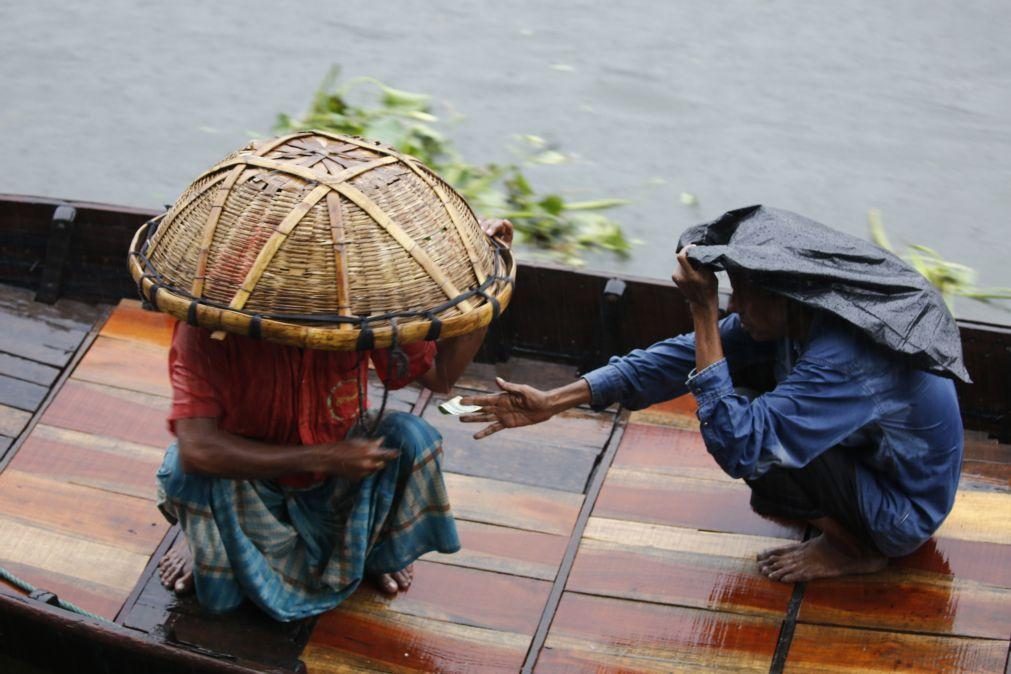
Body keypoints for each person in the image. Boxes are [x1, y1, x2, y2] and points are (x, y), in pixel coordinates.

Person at [459, 242, 964, 583]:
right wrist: (555, 401)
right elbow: (673, 360)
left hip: (902, 510)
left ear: (784, 298)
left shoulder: (846, 358)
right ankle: (836, 515)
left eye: (743, 294)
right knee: (732, 383)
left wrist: (703, 311)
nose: (734, 307)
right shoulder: (802, 319)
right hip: (866, 464)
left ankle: (858, 550)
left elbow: (739, 447)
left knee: (749, 431)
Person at [156, 219, 513, 622]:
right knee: (184, 471)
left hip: (333, 478)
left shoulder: (364, 300)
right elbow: (199, 447)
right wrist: (322, 457)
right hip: (249, 482)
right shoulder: (212, 319)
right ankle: (195, 532)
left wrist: (483, 276)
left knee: (412, 438)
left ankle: (378, 548)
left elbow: (441, 377)